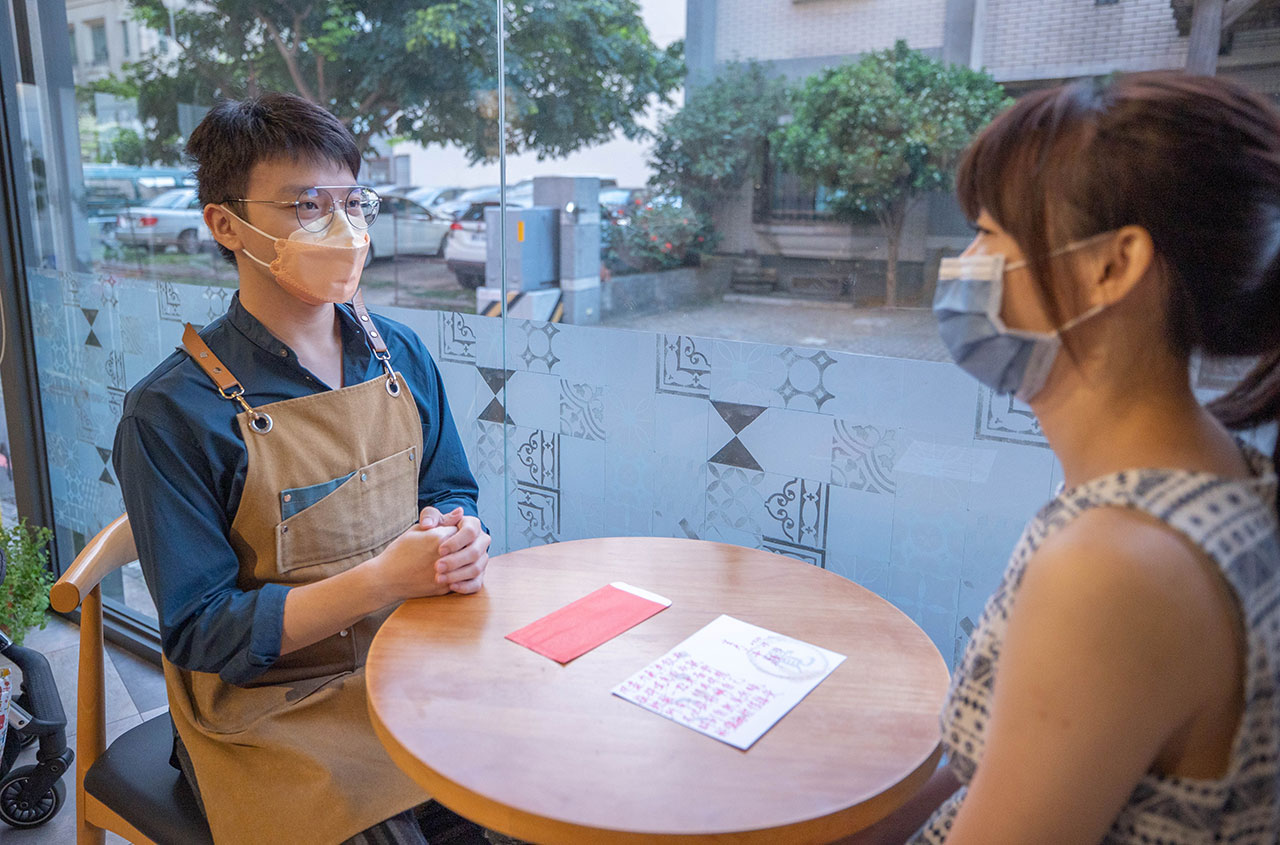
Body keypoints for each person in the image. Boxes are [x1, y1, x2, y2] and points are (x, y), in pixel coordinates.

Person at [843, 72, 1280, 844]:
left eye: (990, 234)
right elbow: (998, 775)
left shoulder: (1117, 568)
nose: (966, 263)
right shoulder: (1226, 480)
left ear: (1112, 265)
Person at [113, 93, 491, 845]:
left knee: (545, 781)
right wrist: (381, 579)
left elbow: (449, 486)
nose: (342, 229)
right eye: (308, 205)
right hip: (270, 708)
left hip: (408, 658)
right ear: (226, 224)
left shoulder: (399, 354)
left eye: (353, 202)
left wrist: (459, 535)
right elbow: (203, 630)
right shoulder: (171, 412)